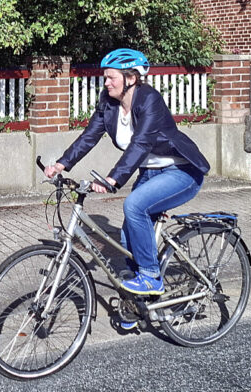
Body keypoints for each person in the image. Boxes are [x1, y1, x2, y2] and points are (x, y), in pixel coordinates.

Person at [45, 48, 210, 303]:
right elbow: (89, 136)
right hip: (151, 172)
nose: (106, 82)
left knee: (134, 206)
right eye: (105, 77)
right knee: (126, 237)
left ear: (131, 78)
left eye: (112, 77)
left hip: (181, 171)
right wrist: (61, 165)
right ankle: (136, 304)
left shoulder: (149, 100)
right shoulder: (109, 102)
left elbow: (141, 143)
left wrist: (113, 179)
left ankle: (151, 277)